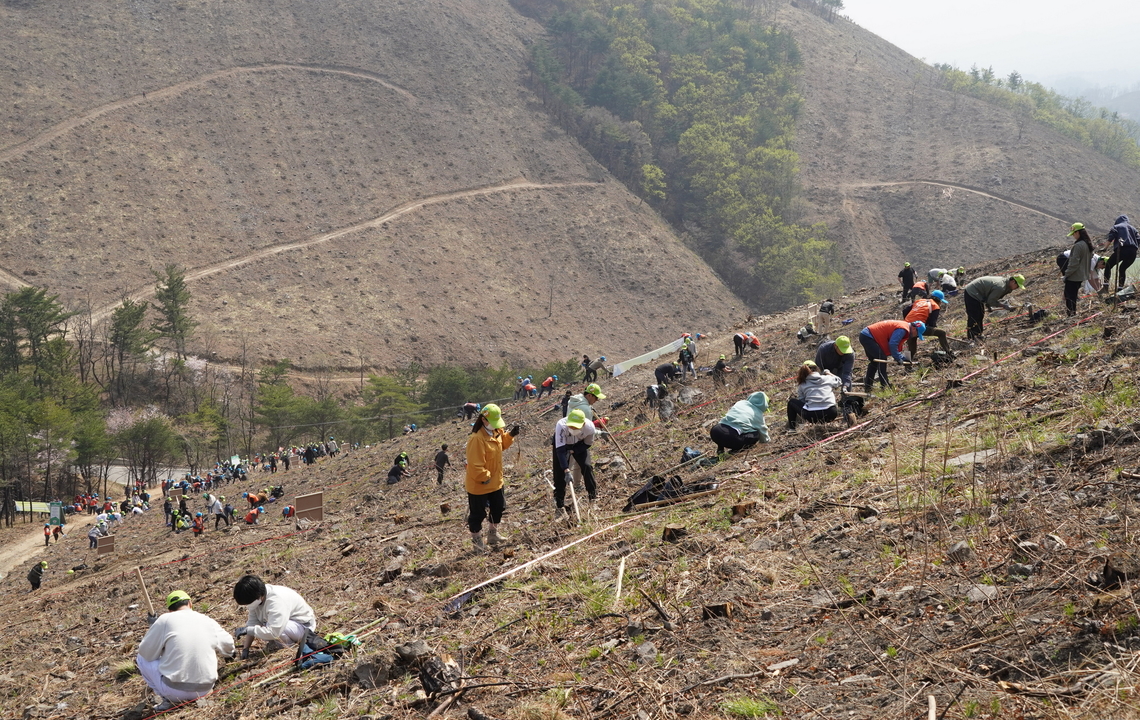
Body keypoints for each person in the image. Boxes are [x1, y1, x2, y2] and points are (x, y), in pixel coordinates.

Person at [137, 590, 234, 711]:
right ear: (190, 603)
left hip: (175, 691)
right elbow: (229, 645)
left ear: (170, 610)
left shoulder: (165, 619)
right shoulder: (206, 619)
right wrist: (229, 654)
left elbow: (146, 653)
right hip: (205, 689)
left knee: (141, 658)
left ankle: (167, 700)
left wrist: (155, 630)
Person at [465, 404, 519, 552]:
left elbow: (501, 446)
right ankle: (477, 542)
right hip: (479, 484)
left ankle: (492, 534)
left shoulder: (496, 431)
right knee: (478, 514)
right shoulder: (476, 439)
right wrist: (485, 476)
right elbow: (475, 465)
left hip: (496, 481)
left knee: (498, 507)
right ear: (483, 420)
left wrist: (510, 436)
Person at [233, 575, 316, 659]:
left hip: (303, 626)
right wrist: (245, 649)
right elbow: (252, 624)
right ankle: (281, 643)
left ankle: (290, 648)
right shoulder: (256, 600)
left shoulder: (275, 601)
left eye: (248, 603)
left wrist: (249, 630)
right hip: (288, 624)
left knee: (276, 631)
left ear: (258, 596)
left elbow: (275, 632)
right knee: (264, 628)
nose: (247, 606)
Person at [552, 409, 597, 516]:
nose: (572, 428)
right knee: (559, 474)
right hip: (562, 446)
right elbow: (560, 451)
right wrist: (566, 470)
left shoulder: (589, 427)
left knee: (587, 467)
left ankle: (593, 497)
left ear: (583, 424)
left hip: (579, 445)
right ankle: (560, 505)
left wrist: (574, 451)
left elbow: (587, 444)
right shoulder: (561, 425)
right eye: (571, 426)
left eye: (576, 426)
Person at [860, 320, 924, 391]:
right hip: (868, 336)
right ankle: (885, 385)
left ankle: (868, 387)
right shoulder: (903, 329)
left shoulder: (904, 326)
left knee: (874, 362)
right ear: (914, 328)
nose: (917, 336)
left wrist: (901, 357)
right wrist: (898, 358)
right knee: (882, 359)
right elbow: (893, 344)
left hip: (866, 335)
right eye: (918, 334)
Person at [963, 275, 1024, 340]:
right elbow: (991, 301)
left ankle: (977, 335)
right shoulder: (1000, 287)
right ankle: (972, 337)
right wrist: (1004, 306)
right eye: (1017, 286)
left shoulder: (1005, 284)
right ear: (1013, 282)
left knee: (980, 314)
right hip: (972, 292)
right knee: (975, 315)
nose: (1017, 288)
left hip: (978, 293)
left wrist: (988, 306)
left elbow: (989, 295)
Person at [786, 361, 841, 430]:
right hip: (831, 413)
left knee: (791, 402)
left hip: (812, 417)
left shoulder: (802, 384)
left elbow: (802, 401)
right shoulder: (827, 378)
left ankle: (792, 429)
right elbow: (839, 381)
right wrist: (828, 373)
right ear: (817, 369)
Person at [906, 290, 952, 355]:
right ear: (938, 300)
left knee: (912, 344)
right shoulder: (935, 306)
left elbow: (905, 310)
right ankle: (949, 353)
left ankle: (908, 362)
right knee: (942, 333)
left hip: (906, 325)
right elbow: (932, 323)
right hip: (918, 326)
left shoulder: (919, 301)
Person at [1064, 223, 1093, 316]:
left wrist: (1066, 274)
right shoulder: (1087, 244)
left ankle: (1071, 314)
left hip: (1074, 276)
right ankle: (1073, 313)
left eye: (1074, 233)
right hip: (1081, 275)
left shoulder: (1078, 245)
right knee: (1073, 296)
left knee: (1069, 297)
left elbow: (1074, 263)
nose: (1073, 235)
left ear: (1078, 232)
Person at [1104, 217, 1139, 293]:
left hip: (1122, 249)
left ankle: (1105, 287)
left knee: (1108, 265)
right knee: (1122, 269)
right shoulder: (1134, 229)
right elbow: (1138, 240)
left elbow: (1110, 238)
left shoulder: (1116, 227)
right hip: (1133, 252)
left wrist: (1105, 248)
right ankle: (1120, 289)